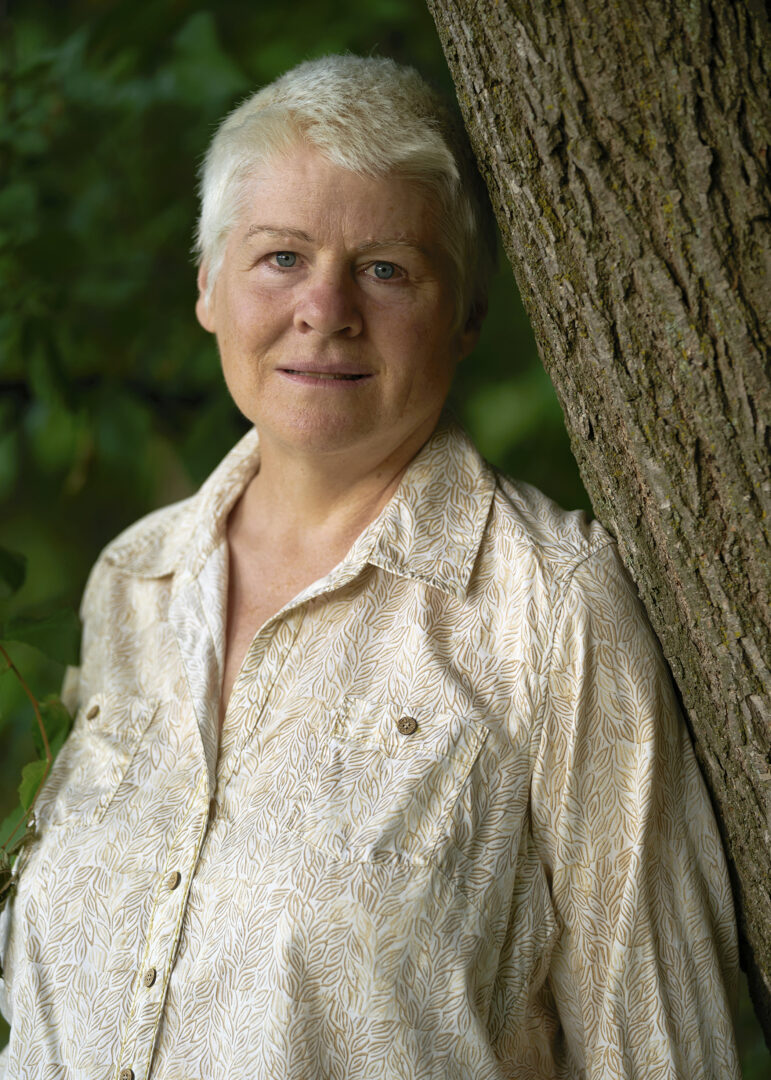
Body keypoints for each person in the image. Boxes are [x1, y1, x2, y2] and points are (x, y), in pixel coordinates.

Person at [0, 54, 740, 1079]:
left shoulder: (553, 608)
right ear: (208, 285)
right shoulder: (133, 580)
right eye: (280, 258)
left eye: (387, 268)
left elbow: (658, 1044)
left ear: (467, 316)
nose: (326, 308)